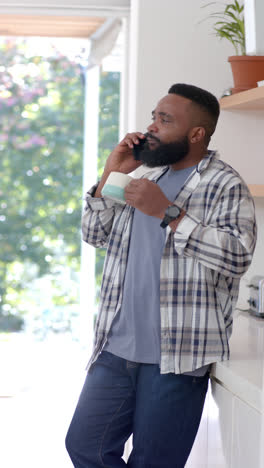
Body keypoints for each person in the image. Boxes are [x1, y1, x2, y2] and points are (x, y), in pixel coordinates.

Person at [66, 83, 257, 467]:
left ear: (196, 134)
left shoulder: (224, 183)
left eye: (164, 120)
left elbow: (237, 256)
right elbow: (94, 235)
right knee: (85, 446)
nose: (151, 126)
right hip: (114, 348)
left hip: (177, 358)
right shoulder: (144, 178)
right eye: (153, 116)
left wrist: (170, 214)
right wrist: (110, 173)